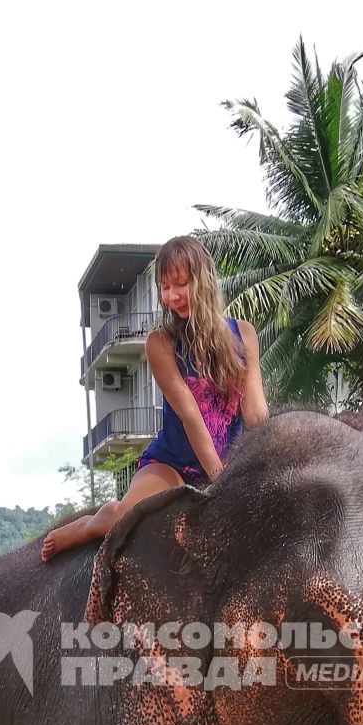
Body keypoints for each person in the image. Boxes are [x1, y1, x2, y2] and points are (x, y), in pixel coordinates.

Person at [40, 235, 269, 561]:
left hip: (230, 463)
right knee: (126, 520)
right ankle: (94, 522)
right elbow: (191, 416)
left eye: (180, 284)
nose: (172, 296)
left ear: (202, 280)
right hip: (172, 464)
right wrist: (220, 481)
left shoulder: (243, 333)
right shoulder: (160, 343)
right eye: (164, 287)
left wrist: (260, 464)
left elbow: (257, 415)